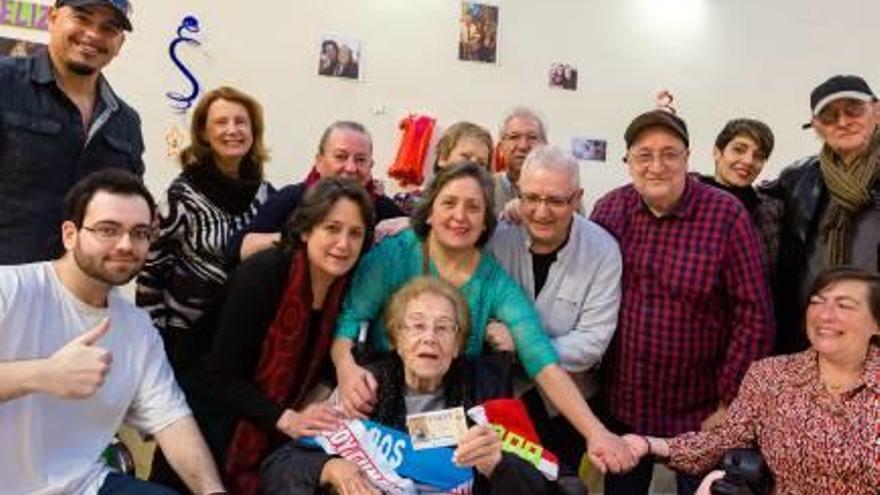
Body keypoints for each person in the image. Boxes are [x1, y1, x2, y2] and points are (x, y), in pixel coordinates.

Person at [332, 162, 637, 475]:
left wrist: (595, 432)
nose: (460, 216)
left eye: (473, 207)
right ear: (430, 211)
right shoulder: (392, 256)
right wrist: (346, 370)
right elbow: (351, 320)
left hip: (447, 414)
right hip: (382, 401)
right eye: (449, 203)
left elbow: (540, 357)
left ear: (485, 221)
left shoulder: (494, 281)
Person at [0, 169, 225, 495]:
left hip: (84, 485)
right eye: (108, 229)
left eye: (140, 233)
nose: (125, 244)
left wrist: (212, 491)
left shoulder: (137, 330)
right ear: (69, 234)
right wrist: (43, 374)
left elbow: (172, 422)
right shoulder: (10, 289)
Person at [589, 109, 774, 495]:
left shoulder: (726, 215)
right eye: (644, 155)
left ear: (688, 158)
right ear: (628, 163)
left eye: (669, 154)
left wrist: (729, 403)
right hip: (625, 403)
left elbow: (753, 316)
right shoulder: (608, 211)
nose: (657, 166)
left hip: (700, 410)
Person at [260, 277, 556, 494]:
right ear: (397, 340)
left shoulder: (487, 393)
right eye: (417, 325)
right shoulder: (363, 387)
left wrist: (499, 465)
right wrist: (329, 469)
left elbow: (550, 484)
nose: (429, 337)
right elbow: (278, 468)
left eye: (443, 328)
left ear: (456, 346)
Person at [628, 266, 880, 495]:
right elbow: (722, 441)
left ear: (876, 324)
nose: (825, 315)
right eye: (817, 302)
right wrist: (649, 444)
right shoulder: (771, 376)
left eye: (844, 305)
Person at [135, 86, 275, 490]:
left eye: (241, 122)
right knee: (180, 452)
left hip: (238, 349)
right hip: (186, 346)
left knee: (226, 447)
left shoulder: (266, 195)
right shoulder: (182, 194)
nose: (232, 130)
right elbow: (151, 274)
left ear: (254, 131)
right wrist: (156, 346)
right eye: (221, 122)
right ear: (205, 133)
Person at [207, 178, 375, 495]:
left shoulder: (347, 287)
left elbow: (326, 367)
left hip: (280, 424)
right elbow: (221, 377)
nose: (343, 244)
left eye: (355, 233)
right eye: (332, 228)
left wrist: (311, 411)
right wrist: (287, 419)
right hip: (219, 425)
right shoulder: (263, 275)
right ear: (306, 230)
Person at [487, 145, 621, 477]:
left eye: (556, 201)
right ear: (518, 193)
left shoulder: (603, 250)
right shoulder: (498, 239)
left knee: (560, 482)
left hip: (569, 407)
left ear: (577, 198)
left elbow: (591, 343)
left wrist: (520, 345)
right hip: (503, 396)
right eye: (531, 198)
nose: (541, 211)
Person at [0, 0, 144, 264]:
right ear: (53, 18)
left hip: (84, 291)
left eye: (108, 28)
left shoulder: (127, 123)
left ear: (119, 44)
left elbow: (129, 209)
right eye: (82, 18)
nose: (93, 34)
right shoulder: (5, 84)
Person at [761, 75, 880, 354]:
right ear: (815, 126)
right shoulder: (797, 179)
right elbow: (745, 197)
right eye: (829, 115)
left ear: (876, 111)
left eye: (853, 109)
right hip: (815, 335)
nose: (843, 122)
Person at [228, 121, 404, 263]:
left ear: (371, 166)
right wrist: (299, 238)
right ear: (319, 161)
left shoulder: (383, 211)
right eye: (340, 157)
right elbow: (237, 249)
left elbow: (419, 233)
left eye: (360, 160)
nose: (350, 168)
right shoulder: (291, 199)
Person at [697, 118, 781, 280]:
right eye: (739, 150)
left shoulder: (771, 212)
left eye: (758, 156)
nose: (748, 161)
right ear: (717, 152)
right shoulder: (688, 202)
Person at [392, 121, 494, 214]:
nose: (473, 166)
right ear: (443, 157)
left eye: (481, 163)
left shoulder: (485, 213)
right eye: (466, 157)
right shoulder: (406, 204)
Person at [494, 108, 548, 214]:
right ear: (500, 148)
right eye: (514, 137)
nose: (523, 146)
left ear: (545, 146)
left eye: (532, 137)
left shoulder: (562, 190)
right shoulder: (486, 189)